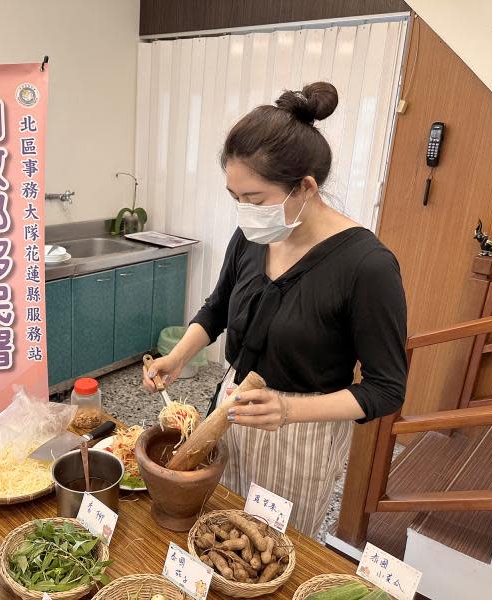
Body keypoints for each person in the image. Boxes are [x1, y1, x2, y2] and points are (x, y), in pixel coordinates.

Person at [142, 81, 407, 537]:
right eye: (235, 198)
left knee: (269, 550)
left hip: (300, 435)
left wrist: (286, 411)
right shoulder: (254, 235)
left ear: (304, 187)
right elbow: (219, 306)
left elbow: (385, 390)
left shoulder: (366, 266)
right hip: (230, 408)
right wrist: (178, 356)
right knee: (216, 533)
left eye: (256, 199)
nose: (244, 212)